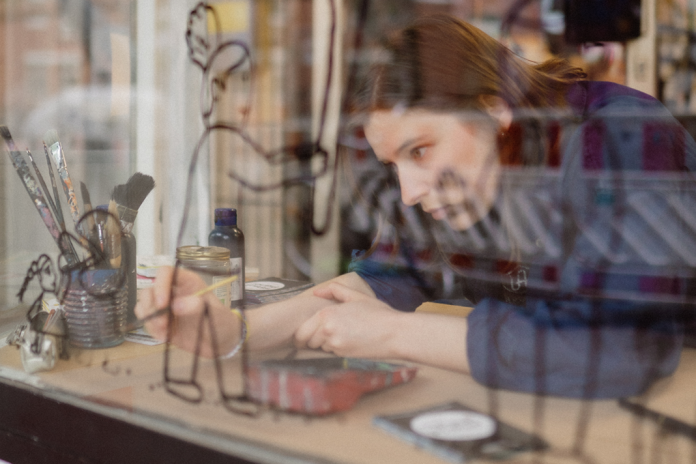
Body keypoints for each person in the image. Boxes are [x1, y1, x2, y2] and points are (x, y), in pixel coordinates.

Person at [136, 14, 696, 398]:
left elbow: (624, 345)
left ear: (495, 111)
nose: (408, 192)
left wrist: (393, 335)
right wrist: (229, 332)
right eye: (394, 164)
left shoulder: (619, 135)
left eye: (421, 150)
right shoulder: (459, 185)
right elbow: (372, 285)